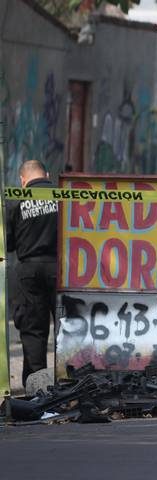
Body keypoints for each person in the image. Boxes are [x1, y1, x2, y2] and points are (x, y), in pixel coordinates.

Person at [6, 160, 59, 386]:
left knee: (33, 331)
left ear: (22, 180)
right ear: (47, 174)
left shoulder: (17, 199)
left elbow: (7, 244)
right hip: (60, 269)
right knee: (67, 328)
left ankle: (36, 386)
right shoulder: (61, 196)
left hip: (27, 270)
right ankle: (69, 382)